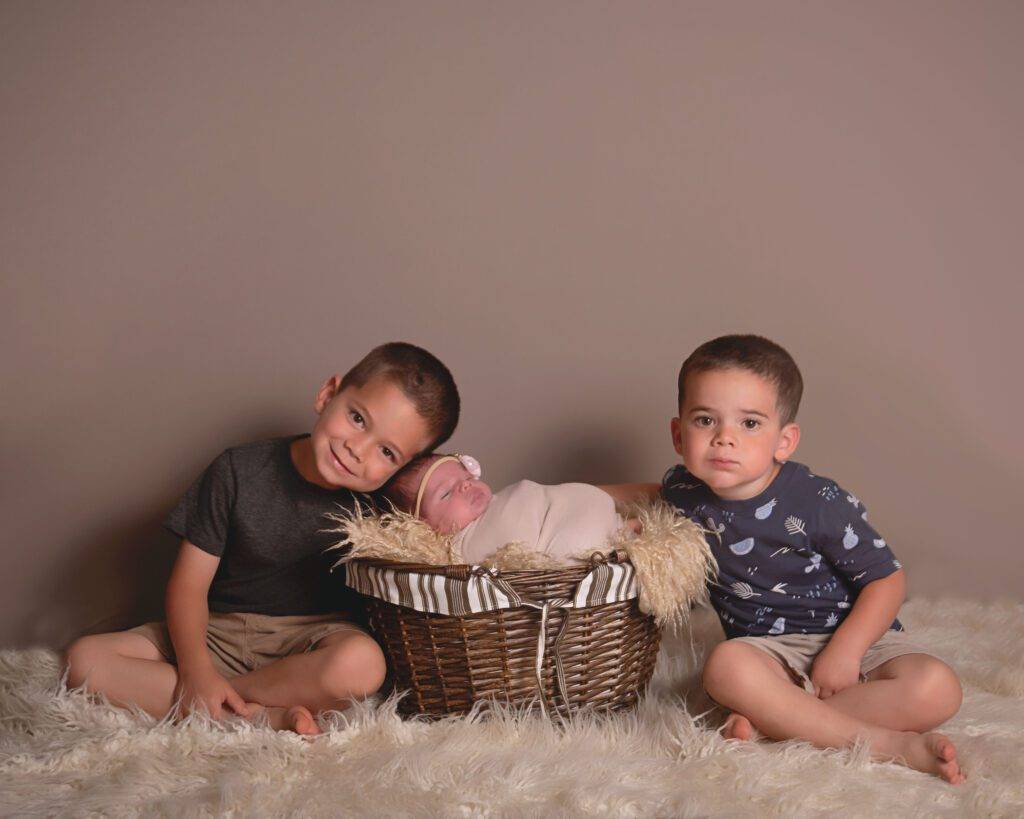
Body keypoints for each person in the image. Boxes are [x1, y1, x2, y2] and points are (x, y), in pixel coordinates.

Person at [65, 342, 459, 735]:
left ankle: (220, 702)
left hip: (308, 644)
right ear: (328, 394)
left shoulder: (381, 505)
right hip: (217, 632)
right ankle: (257, 716)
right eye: (357, 418)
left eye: (387, 452)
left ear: (407, 466)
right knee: (84, 661)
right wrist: (196, 669)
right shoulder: (238, 471)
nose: (358, 450)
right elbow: (188, 587)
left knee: (363, 664)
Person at [658, 334, 964, 783]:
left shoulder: (817, 500)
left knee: (939, 689)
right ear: (679, 434)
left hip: (853, 637)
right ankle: (888, 746)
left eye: (749, 424)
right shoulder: (684, 493)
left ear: (785, 441)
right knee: (724, 667)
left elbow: (887, 581)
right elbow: (642, 498)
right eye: (706, 420)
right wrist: (570, 496)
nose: (724, 439)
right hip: (768, 653)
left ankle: (771, 721)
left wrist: (846, 650)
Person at [383, 453, 630, 564]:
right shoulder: (460, 549)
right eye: (447, 493)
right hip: (572, 538)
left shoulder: (498, 502)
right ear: (422, 526)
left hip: (575, 507)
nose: (465, 487)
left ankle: (622, 530)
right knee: (581, 549)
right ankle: (621, 534)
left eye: (466, 478)